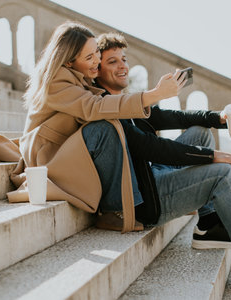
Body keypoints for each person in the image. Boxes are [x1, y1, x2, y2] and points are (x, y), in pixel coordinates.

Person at [92, 32, 231, 293]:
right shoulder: (104, 108)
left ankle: (208, 225)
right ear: (96, 69)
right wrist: (214, 156)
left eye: (123, 59)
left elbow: (174, 117)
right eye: (112, 61)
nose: (123, 66)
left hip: (149, 176)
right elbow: (153, 148)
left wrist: (220, 117)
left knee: (202, 131)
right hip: (144, 201)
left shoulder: (126, 103)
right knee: (222, 174)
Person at [16, 21, 186, 233]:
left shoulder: (81, 77)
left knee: (113, 126)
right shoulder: (56, 81)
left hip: (67, 150)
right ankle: (113, 211)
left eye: (96, 51)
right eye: (89, 57)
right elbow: (94, 107)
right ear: (69, 62)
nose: (97, 60)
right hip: (47, 158)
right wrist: (154, 95)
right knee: (105, 127)